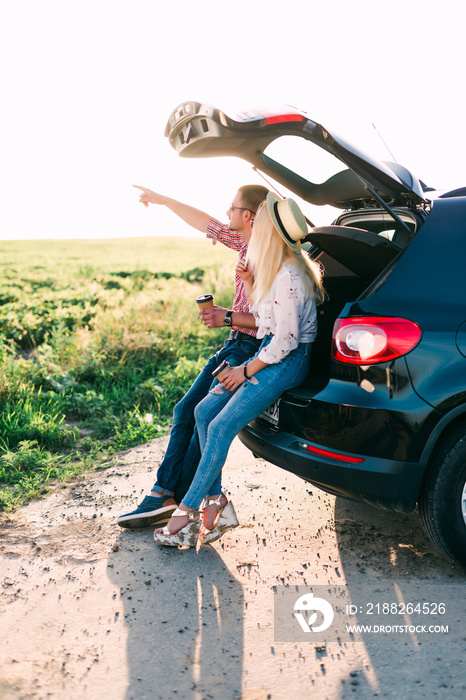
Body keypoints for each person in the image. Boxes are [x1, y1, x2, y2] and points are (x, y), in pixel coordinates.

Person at [153, 192, 325, 547]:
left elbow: (286, 341)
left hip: (288, 361)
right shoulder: (273, 269)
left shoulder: (290, 275)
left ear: (269, 230)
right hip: (268, 351)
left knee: (220, 425)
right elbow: (265, 325)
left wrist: (245, 372)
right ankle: (217, 502)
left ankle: (185, 513)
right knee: (202, 411)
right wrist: (248, 284)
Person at [117, 184, 269, 529]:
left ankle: (168, 496)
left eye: (232, 208)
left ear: (248, 216)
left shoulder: (266, 255)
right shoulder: (246, 242)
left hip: (248, 348)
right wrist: (165, 199)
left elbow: (274, 320)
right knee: (191, 412)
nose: (226, 213)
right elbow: (207, 223)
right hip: (236, 343)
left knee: (196, 414)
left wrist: (226, 316)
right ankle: (172, 495)